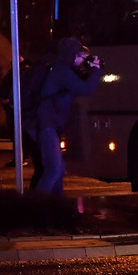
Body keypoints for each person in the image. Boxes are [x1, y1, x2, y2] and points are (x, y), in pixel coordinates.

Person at [33, 37, 108, 197]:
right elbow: (85, 89)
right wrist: (95, 70)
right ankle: (36, 207)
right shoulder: (62, 72)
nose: (82, 60)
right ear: (72, 55)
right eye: (81, 57)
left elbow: (78, 82)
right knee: (54, 169)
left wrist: (88, 66)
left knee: (58, 169)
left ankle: (56, 208)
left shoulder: (63, 70)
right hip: (47, 124)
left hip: (51, 123)